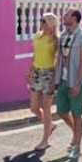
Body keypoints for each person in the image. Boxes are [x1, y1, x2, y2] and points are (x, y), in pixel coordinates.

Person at [56, 8, 82, 160]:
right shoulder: (64, 35)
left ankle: (76, 146)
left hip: (76, 81)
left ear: (75, 18)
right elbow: (59, 59)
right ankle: (77, 133)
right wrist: (55, 80)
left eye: (67, 15)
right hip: (63, 81)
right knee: (61, 111)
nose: (64, 16)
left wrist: (77, 83)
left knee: (77, 115)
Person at [27, 13, 60, 151]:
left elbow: (58, 61)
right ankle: (50, 125)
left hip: (49, 74)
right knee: (34, 107)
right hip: (36, 73)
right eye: (41, 20)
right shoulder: (37, 36)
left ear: (51, 23)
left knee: (46, 109)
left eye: (44, 20)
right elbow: (35, 55)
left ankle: (45, 140)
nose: (41, 22)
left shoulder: (55, 40)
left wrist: (55, 79)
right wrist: (29, 72)